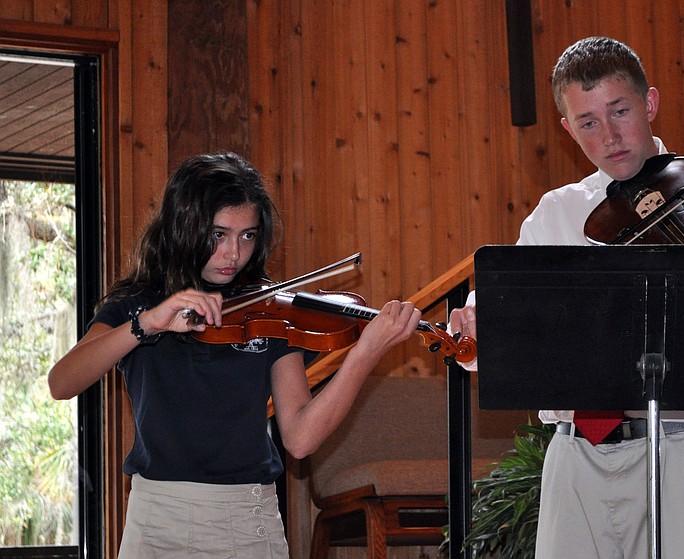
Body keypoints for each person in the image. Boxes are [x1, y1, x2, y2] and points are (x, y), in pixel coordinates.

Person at [450, 37, 684, 558]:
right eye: (588, 122)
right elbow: (497, 327)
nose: (610, 136)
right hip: (579, 457)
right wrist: (478, 327)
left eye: (620, 111)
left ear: (649, 104)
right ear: (568, 129)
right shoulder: (555, 215)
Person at [48, 151, 421, 558]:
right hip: (155, 518)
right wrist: (148, 324)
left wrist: (365, 354)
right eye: (218, 235)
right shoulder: (136, 307)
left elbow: (300, 438)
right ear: (183, 228)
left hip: (246, 520)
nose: (233, 254)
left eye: (248, 235)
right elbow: (62, 382)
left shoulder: (272, 310)